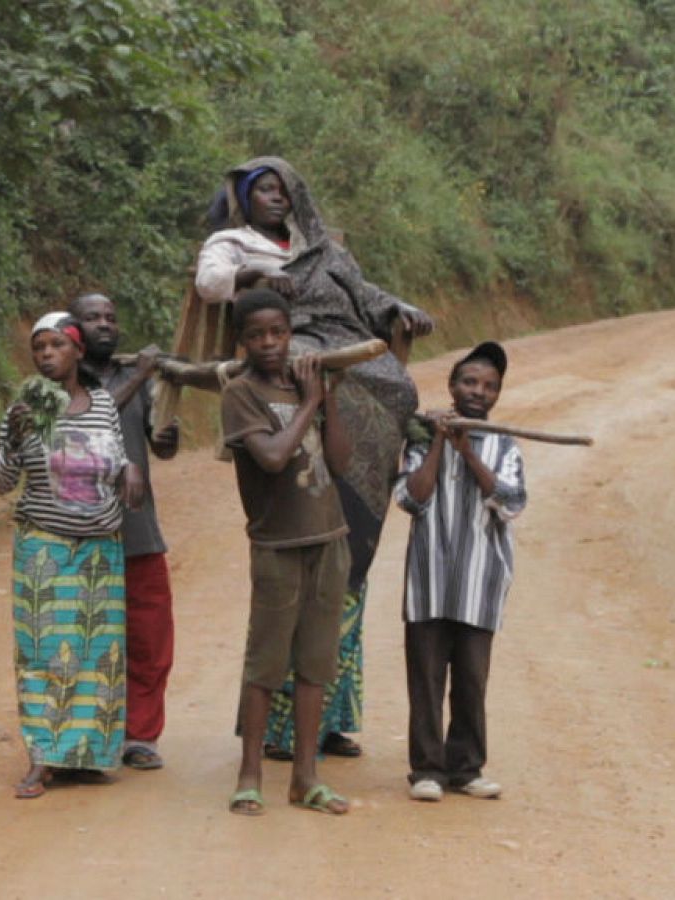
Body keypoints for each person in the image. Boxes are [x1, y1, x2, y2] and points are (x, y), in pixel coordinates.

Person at [196, 156, 435, 761]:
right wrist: (253, 274)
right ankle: (275, 737)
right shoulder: (232, 244)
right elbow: (211, 284)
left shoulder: (326, 250)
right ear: (246, 200)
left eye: (282, 190)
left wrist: (401, 308)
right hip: (294, 344)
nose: (274, 199)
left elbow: (368, 295)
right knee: (306, 377)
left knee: (396, 388)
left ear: (296, 196)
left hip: (345, 342)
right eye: (262, 190)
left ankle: (329, 721)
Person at [0, 312, 143, 798]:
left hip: (101, 552)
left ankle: (87, 756)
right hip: (45, 551)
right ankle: (42, 759)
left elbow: (115, 459)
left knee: (98, 656)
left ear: (77, 352)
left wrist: (130, 469)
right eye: (39, 348)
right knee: (40, 656)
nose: (47, 355)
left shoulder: (101, 403)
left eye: (56, 345)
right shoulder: (26, 406)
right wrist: (14, 441)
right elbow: (0, 482)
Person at [221, 289, 352, 816]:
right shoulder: (241, 393)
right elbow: (274, 458)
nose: (270, 343)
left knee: (316, 664)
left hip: (329, 538)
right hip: (277, 544)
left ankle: (305, 777)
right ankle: (250, 775)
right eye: (257, 335)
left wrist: (330, 396)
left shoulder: (306, 385)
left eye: (278, 331)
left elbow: (340, 463)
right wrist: (311, 403)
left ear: (291, 331)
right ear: (243, 341)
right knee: (266, 664)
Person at [393, 342, 525, 802]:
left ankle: (466, 768)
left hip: (480, 584)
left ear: (497, 396)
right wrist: (436, 445)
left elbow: (510, 504)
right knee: (425, 678)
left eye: (489, 386)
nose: (478, 391)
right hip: (429, 581)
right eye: (469, 382)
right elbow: (412, 498)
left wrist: (467, 452)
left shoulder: (504, 443)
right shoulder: (420, 435)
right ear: (452, 387)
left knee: (471, 680)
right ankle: (427, 770)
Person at [69, 293, 180, 771]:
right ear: (74, 331)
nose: (105, 325)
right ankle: (86, 732)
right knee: (85, 641)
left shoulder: (139, 382)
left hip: (137, 531)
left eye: (112, 317)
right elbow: (92, 420)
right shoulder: (63, 384)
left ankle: (140, 734)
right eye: (92, 318)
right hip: (80, 534)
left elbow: (162, 448)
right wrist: (141, 376)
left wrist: (166, 437)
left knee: (149, 639)